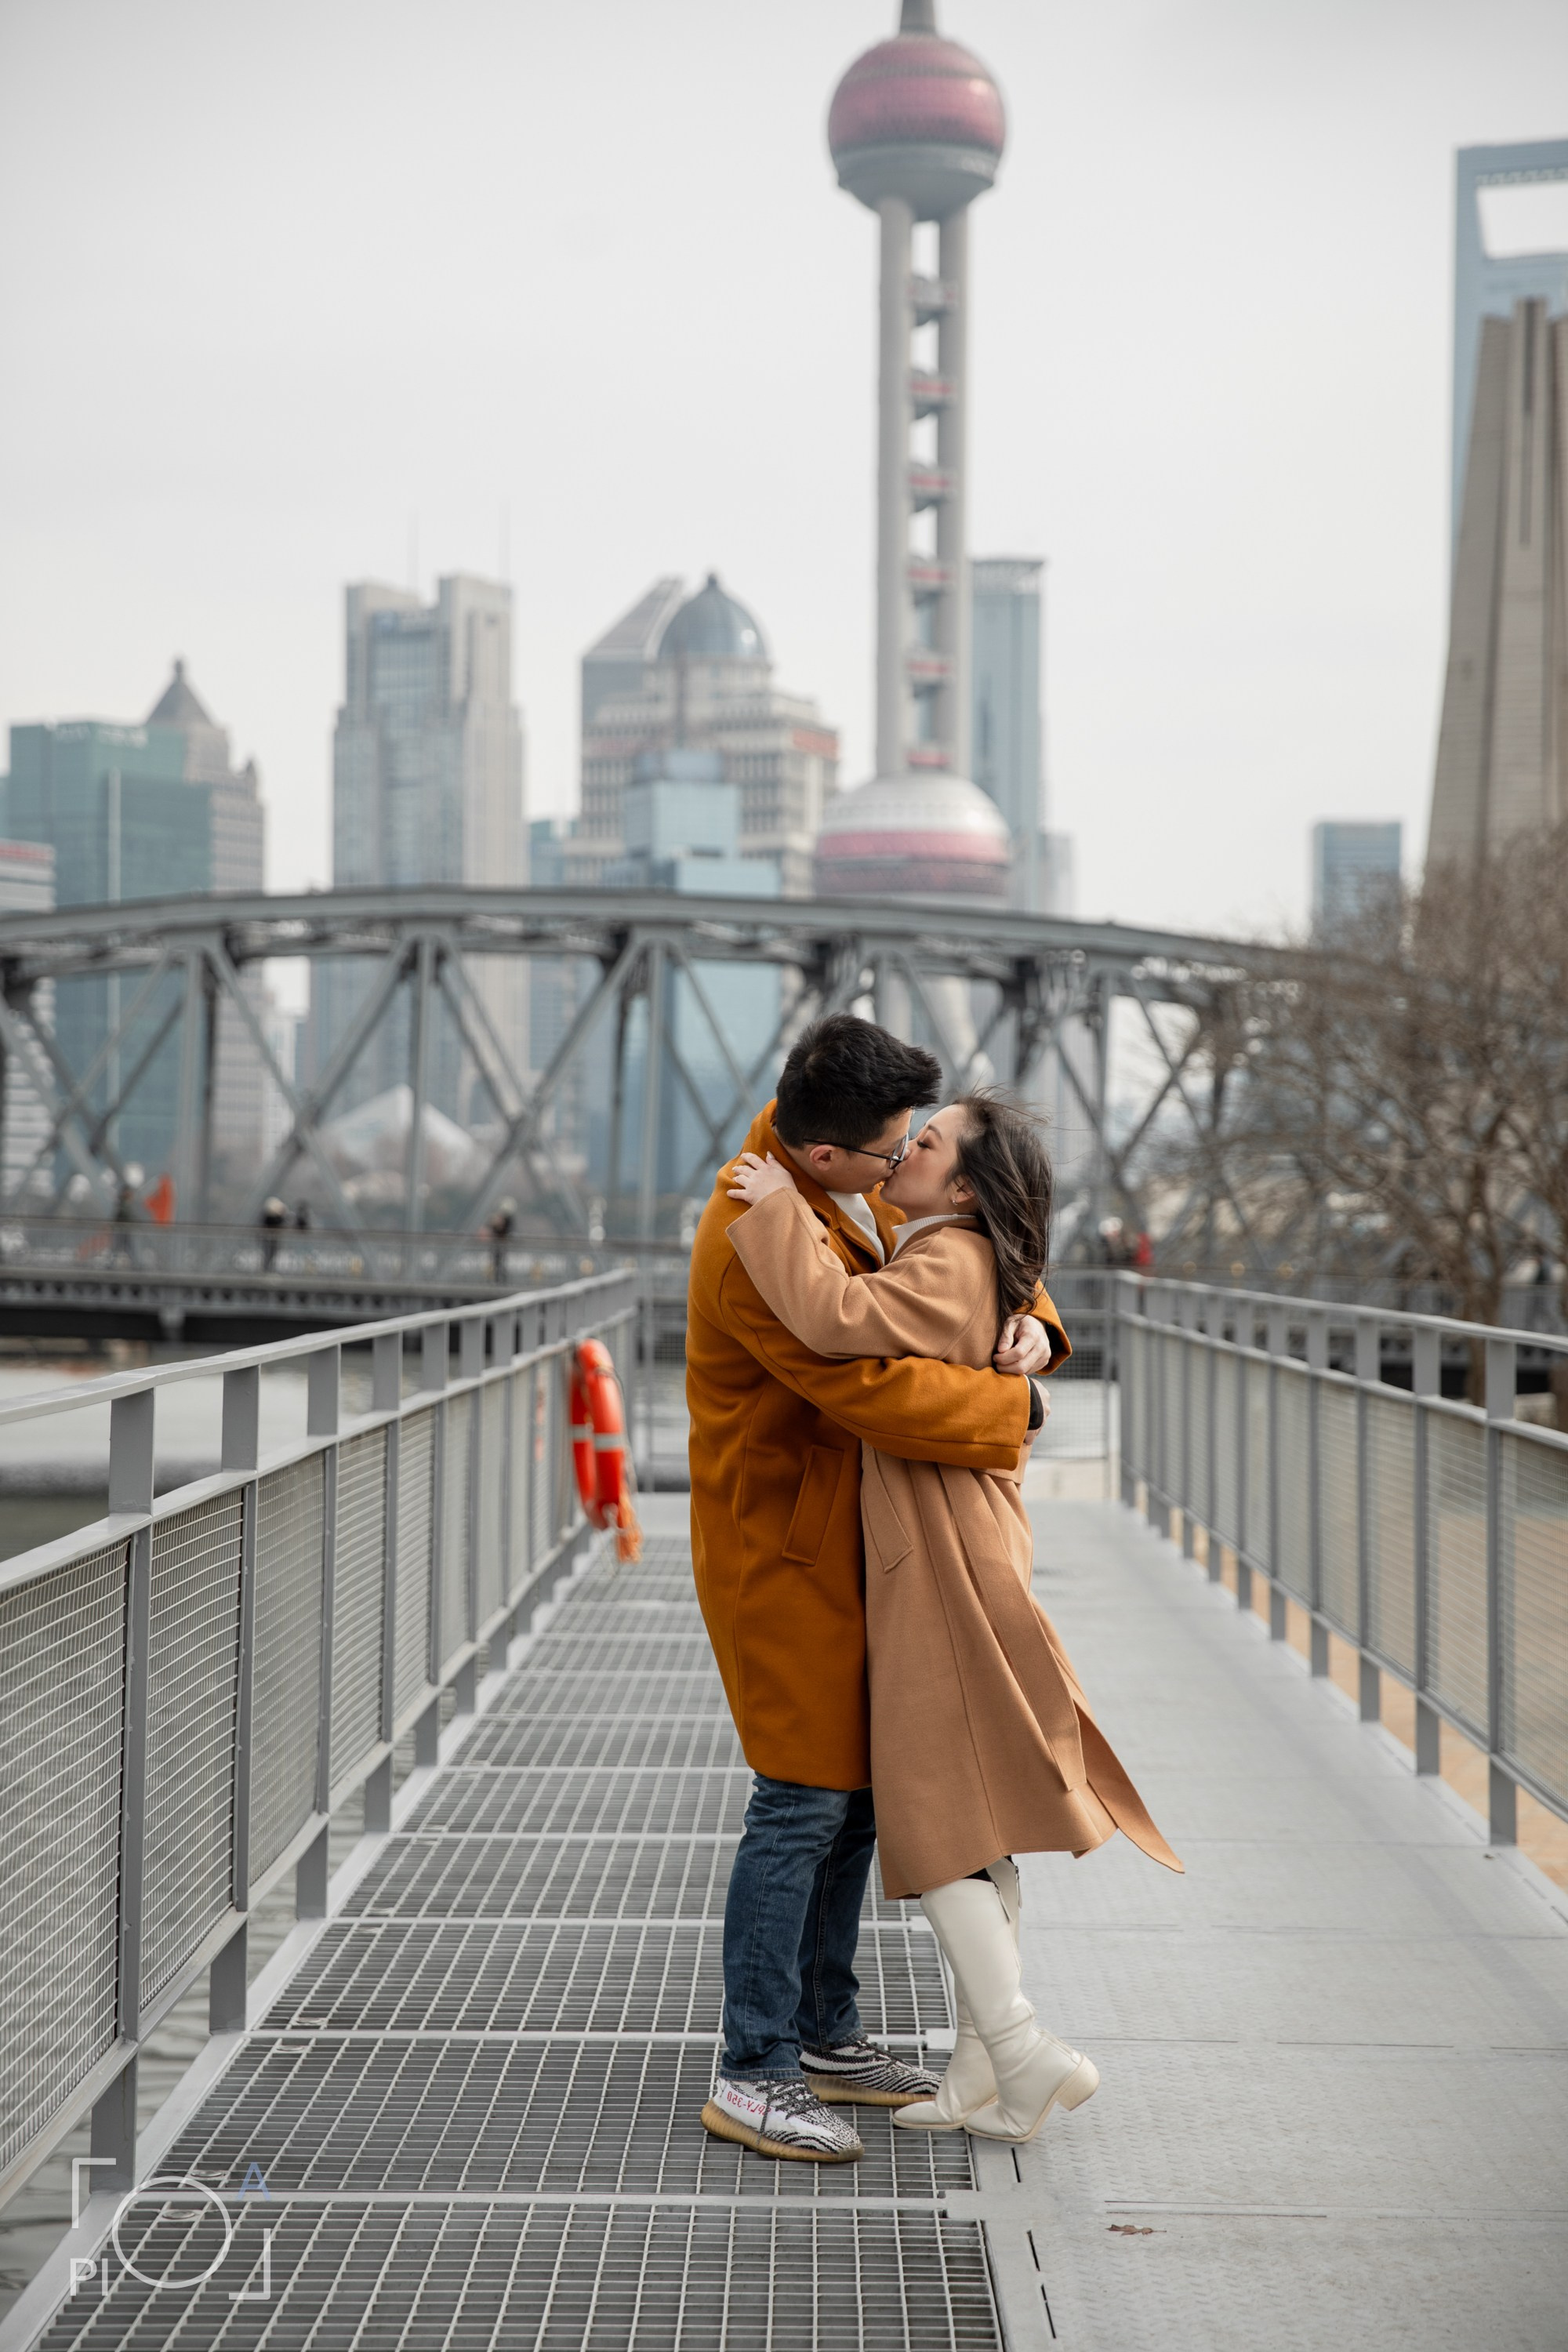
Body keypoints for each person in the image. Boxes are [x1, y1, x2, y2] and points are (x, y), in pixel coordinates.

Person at [726, 1090, 1181, 2145]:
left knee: (936, 1818)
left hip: (940, 1555)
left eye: (924, 1143)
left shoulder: (944, 1259)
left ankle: (1021, 2049)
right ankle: (984, 2073)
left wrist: (770, 1212)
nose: (903, 1150)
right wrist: (1042, 1345)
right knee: (970, 1814)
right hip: (956, 1536)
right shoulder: (952, 1246)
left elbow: (838, 1322)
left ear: (966, 1185)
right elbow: (968, 1292)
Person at [686, 1015, 1062, 2165]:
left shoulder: (839, 1183)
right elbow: (871, 1388)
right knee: (800, 1802)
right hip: (785, 1552)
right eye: (891, 1151)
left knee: (848, 1802)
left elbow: (978, 1260)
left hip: (852, 1546)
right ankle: (753, 2069)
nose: (905, 1164)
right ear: (823, 1156)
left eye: (917, 1144)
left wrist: (1039, 1331)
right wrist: (1022, 1414)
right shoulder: (755, 1229)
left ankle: (824, 2030)